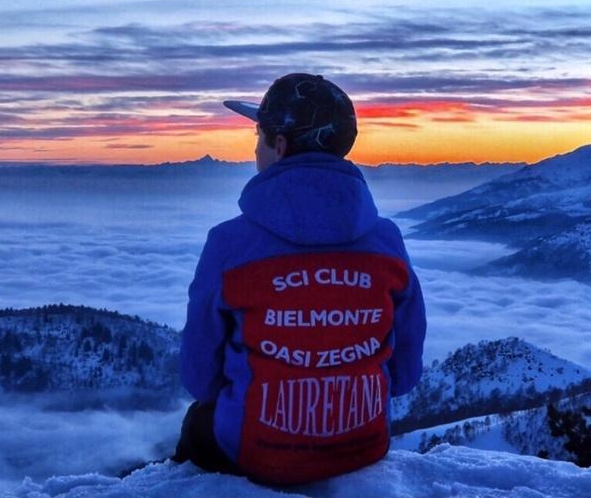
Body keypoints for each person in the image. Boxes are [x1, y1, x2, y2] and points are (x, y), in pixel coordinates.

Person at [171, 73, 427, 485]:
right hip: (364, 444)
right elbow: (405, 375)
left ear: (279, 146)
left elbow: (200, 380)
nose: (255, 147)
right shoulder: (387, 241)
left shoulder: (228, 244)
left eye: (258, 135)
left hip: (258, 453)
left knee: (198, 421)